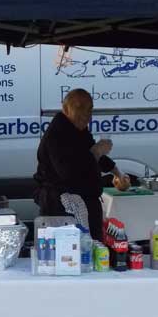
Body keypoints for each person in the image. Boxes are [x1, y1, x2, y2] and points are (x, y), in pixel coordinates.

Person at [33, 88, 130, 240]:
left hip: (87, 203)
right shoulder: (57, 133)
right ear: (65, 108)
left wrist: (118, 173)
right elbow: (69, 172)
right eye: (80, 109)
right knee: (71, 255)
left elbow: (92, 153)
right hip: (62, 208)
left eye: (89, 110)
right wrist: (97, 151)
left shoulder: (78, 129)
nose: (86, 115)